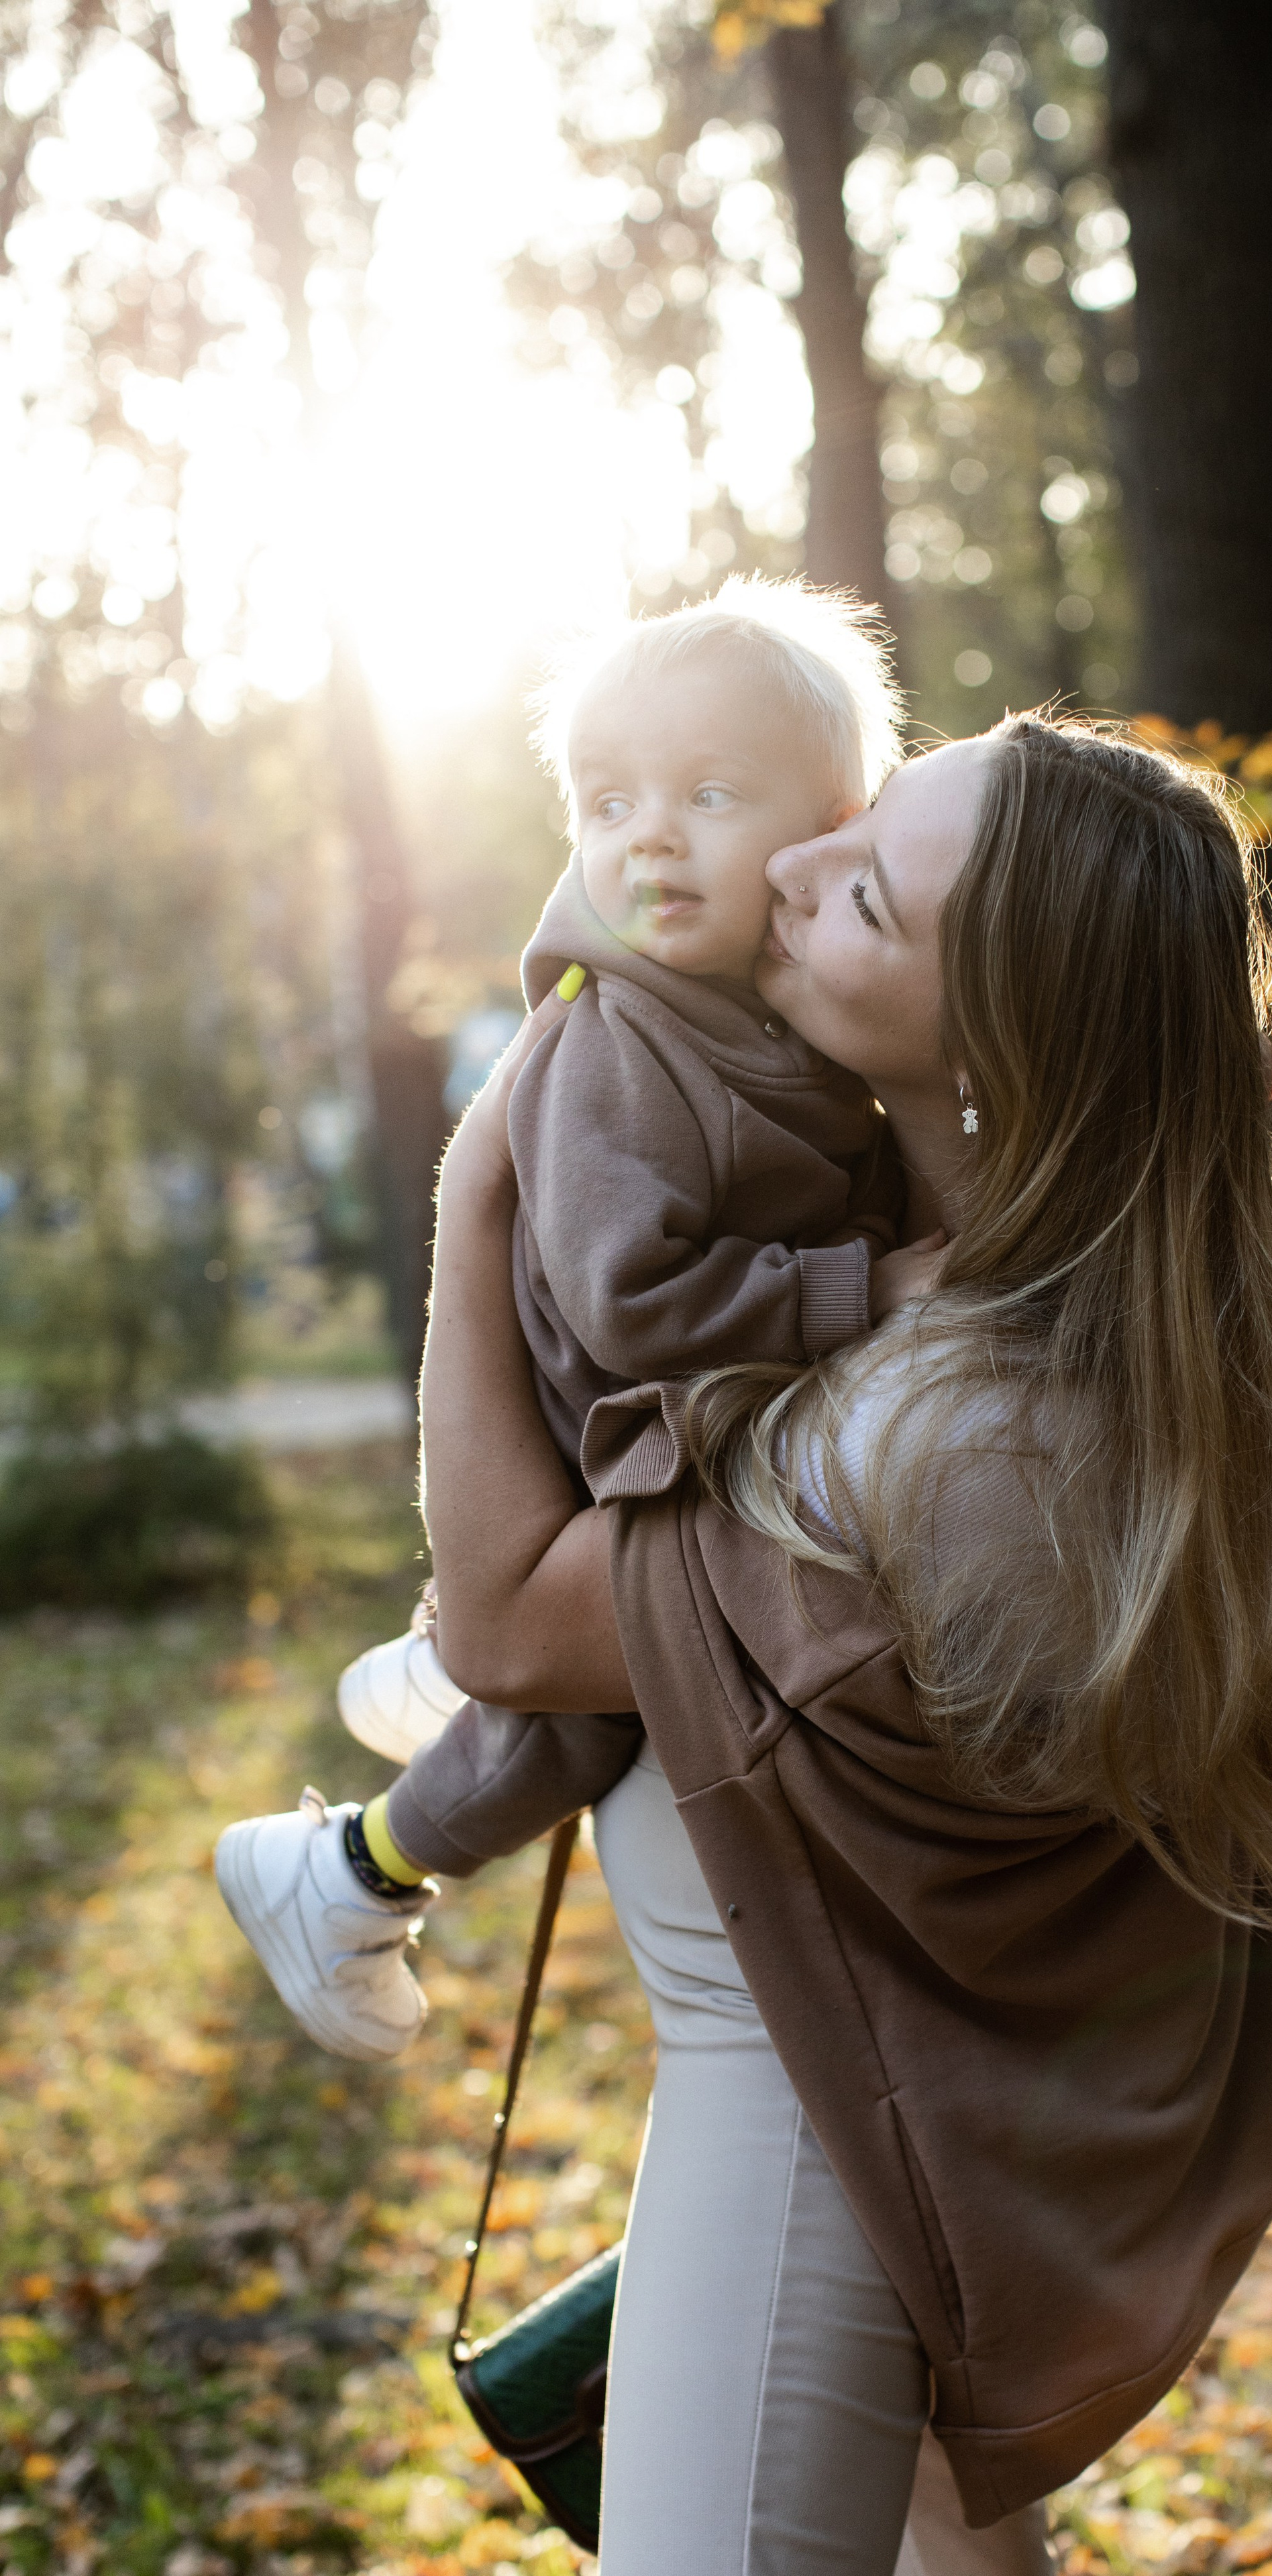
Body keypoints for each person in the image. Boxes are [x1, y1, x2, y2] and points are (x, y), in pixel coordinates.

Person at [407, 713, 1272, 2574]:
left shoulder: (963, 1431)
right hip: (855, 2111)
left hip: (810, 2155)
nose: (783, 868)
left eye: (858, 886)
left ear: (989, 1053)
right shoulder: (957, 1301)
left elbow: (502, 1623)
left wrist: (479, 1200)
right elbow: (626, 871)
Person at [213, 579, 945, 2059]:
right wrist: (870, 1292)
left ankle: (430, 1687)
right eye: (607, 802)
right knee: (600, 1711)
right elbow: (634, 1297)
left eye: (708, 794)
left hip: (694, 1421)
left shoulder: (749, 1010)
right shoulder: (619, 1036)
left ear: (825, 833)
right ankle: (346, 1875)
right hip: (622, 1428)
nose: (648, 836)